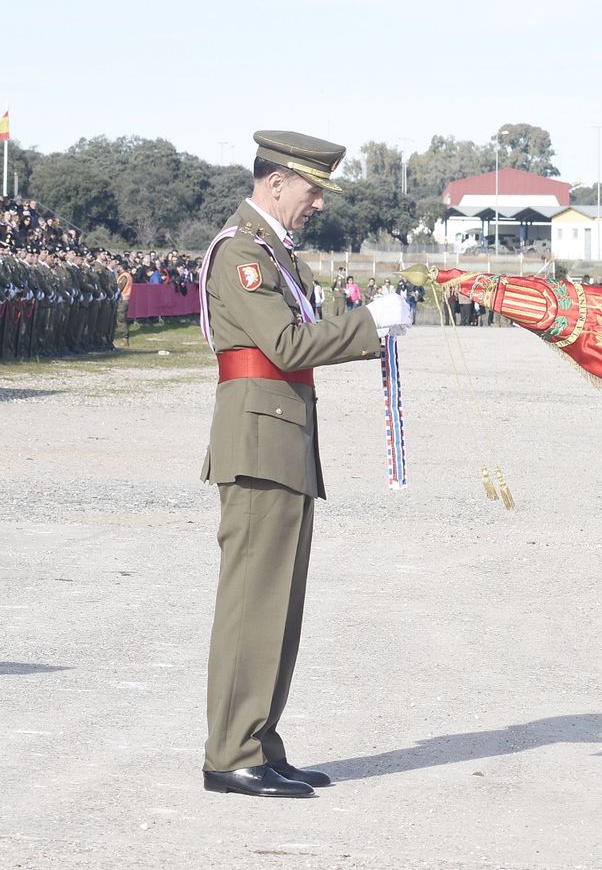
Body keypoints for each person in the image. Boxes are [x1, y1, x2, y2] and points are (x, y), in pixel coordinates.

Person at [198, 130, 413, 799]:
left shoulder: (274, 255)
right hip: (260, 446)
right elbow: (287, 342)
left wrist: (365, 318)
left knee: (277, 609)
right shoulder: (243, 254)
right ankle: (231, 751)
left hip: (282, 444)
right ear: (276, 183)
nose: (316, 202)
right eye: (312, 188)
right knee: (252, 604)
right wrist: (367, 326)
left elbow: (305, 332)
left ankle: (258, 741)